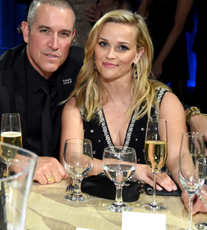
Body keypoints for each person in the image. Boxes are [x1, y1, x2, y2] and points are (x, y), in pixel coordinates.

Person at [60, 9, 207, 213]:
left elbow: (177, 157)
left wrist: (191, 187)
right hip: (94, 208)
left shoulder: (164, 101)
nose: (110, 55)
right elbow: (73, 160)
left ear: (138, 54)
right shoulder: (78, 104)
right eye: (103, 44)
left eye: (122, 47)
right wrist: (133, 170)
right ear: (93, 48)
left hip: (150, 211)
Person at [0, 0, 84, 185]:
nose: (54, 44)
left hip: (64, 190)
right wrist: (18, 161)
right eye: (45, 31)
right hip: (10, 192)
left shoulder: (80, 69)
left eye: (64, 34)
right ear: (26, 32)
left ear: (73, 36)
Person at [138, 0, 194, 102]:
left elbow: (178, 27)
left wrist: (159, 62)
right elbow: (140, 20)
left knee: (175, 97)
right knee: (145, 95)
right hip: (152, 45)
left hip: (172, 49)